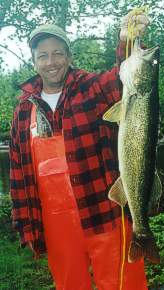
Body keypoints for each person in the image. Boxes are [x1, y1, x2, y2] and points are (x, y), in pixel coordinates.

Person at [9, 10, 149, 290]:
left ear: (69, 56)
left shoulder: (91, 88)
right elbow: (18, 174)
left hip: (104, 214)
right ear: (34, 62)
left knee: (123, 285)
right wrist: (26, 224)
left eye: (58, 53)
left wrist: (128, 40)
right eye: (43, 56)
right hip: (56, 228)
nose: (52, 62)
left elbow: (127, 78)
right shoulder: (24, 110)